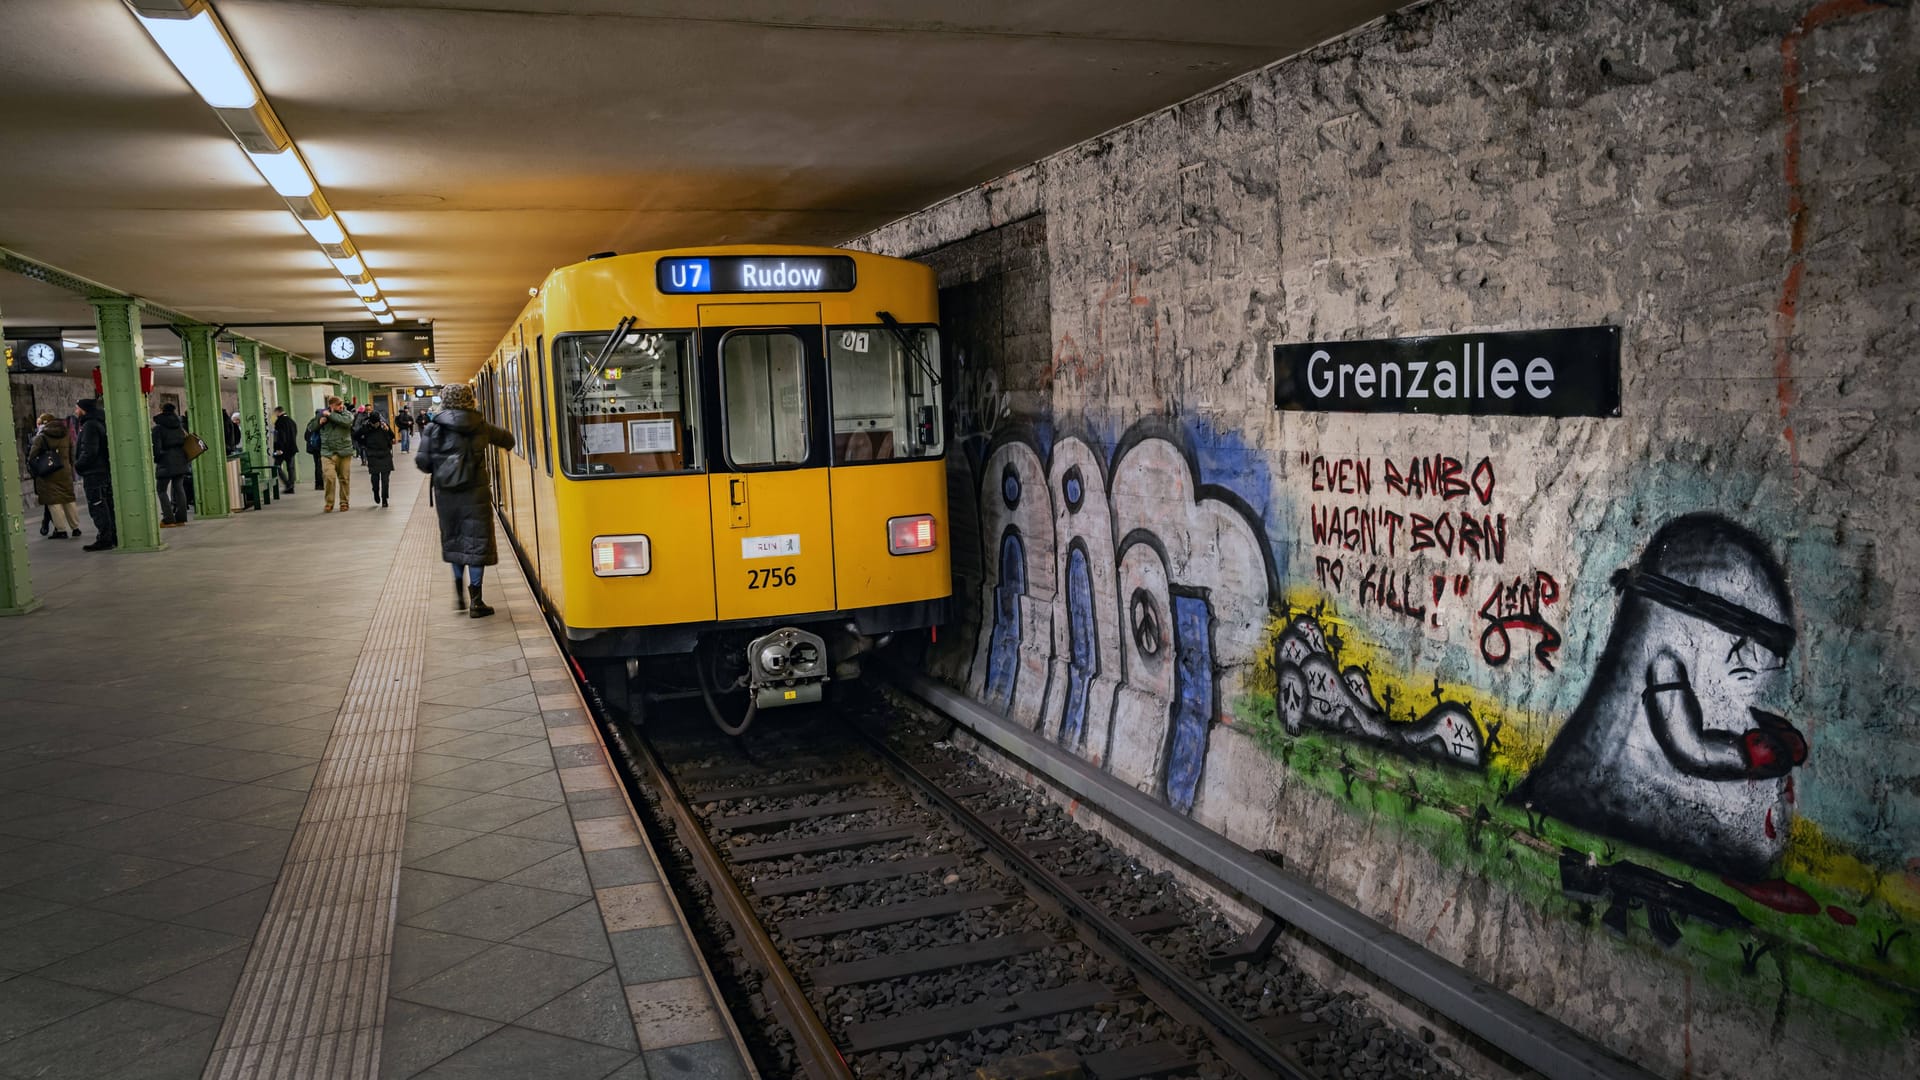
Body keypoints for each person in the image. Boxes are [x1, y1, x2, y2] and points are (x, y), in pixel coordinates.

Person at [417, 383, 514, 617]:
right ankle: (477, 601)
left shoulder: (433, 427)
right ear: (470, 399)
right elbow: (509, 440)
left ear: (444, 400)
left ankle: (459, 594)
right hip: (475, 493)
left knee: (455, 541)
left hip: (447, 496)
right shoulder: (480, 425)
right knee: (476, 543)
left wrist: (442, 465)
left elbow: (422, 463)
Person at [28, 413, 81, 540]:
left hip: (49, 472)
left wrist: (37, 470)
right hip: (65, 470)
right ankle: (75, 527)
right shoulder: (66, 433)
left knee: (54, 501)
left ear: (44, 423)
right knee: (68, 498)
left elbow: (32, 456)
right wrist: (70, 467)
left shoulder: (41, 437)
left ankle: (61, 530)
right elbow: (72, 454)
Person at [72, 399, 115, 551]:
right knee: (106, 504)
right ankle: (112, 535)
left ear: (84, 409)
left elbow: (89, 451)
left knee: (97, 505)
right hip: (103, 471)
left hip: (94, 472)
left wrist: (78, 465)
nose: (75, 411)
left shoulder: (89, 425)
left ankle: (105, 538)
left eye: (77, 408)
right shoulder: (100, 422)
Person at [152, 402, 191, 528]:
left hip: (166, 462)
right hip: (181, 460)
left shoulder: (158, 428)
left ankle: (169, 519)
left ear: (161, 410)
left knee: (161, 490)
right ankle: (181, 518)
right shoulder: (179, 427)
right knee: (179, 488)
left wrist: (158, 459)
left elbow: (156, 449)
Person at [317, 396, 355, 511]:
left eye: (341, 404)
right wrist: (319, 422)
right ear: (331, 406)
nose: (341, 407)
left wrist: (330, 415)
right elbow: (311, 427)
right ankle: (329, 502)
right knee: (329, 477)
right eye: (338, 405)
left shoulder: (347, 414)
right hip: (327, 452)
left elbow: (346, 422)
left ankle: (344, 502)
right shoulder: (321, 414)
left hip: (344, 451)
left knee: (344, 478)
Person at [361, 410, 395, 508]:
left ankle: (384, 498)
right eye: (374, 423)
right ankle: (375, 492)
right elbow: (356, 436)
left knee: (385, 480)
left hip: (385, 454)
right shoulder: (366, 427)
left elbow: (392, 436)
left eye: (377, 422)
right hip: (373, 455)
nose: (375, 424)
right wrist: (364, 444)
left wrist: (387, 429)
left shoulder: (384, 426)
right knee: (375, 479)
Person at [271, 406, 299, 494]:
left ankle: (288, 484)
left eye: (275, 413)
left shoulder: (279, 422)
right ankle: (291, 486)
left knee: (277, 467)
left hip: (282, 449)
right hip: (292, 448)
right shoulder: (292, 421)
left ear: (278, 412)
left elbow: (279, 437)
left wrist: (279, 448)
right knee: (291, 468)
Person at [304, 407, 327, 491]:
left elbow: (306, 436)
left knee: (317, 465)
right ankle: (321, 484)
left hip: (314, 448)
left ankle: (318, 484)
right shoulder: (323, 423)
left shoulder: (311, 423)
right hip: (321, 446)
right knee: (321, 465)